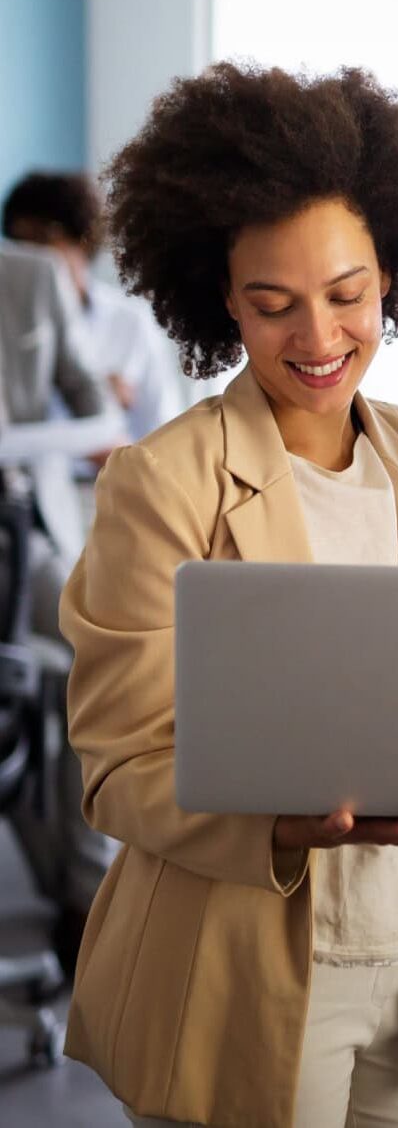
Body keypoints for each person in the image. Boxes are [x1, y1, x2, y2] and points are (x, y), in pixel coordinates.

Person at [59, 62, 398, 1127]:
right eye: (273, 305)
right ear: (223, 300)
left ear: (391, 276)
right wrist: (282, 826)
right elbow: (117, 766)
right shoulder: (162, 482)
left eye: (347, 296)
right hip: (232, 967)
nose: (318, 339)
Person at [0, 223, 126, 968]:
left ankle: (86, 893)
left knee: (104, 655)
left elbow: (101, 412)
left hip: (21, 529)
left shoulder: (34, 277)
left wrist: (32, 442)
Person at [4, 170, 182, 443]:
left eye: (43, 239)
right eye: (20, 244)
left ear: (81, 238)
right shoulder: (12, 320)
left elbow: (164, 426)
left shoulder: (130, 321)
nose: (33, 255)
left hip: (120, 463)